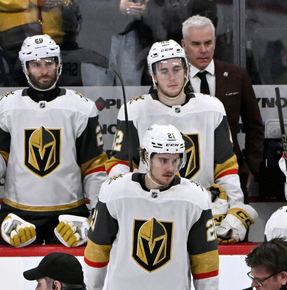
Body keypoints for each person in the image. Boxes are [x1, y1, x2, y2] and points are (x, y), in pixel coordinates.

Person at [84, 123, 220, 290]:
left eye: (176, 160)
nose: (170, 168)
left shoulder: (195, 198)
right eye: (163, 160)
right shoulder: (115, 191)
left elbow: (205, 259)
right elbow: (97, 250)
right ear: (146, 156)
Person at [106, 39, 256, 243]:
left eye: (177, 69)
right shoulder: (134, 110)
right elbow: (119, 167)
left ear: (186, 71)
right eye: (164, 70)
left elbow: (226, 167)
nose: (172, 77)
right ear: (153, 76)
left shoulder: (211, 108)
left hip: (201, 211)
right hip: (150, 210)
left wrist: (235, 209)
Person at [0, 34, 107, 247]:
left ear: (58, 64)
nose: (44, 71)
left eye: (49, 63)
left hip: (70, 213)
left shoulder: (82, 108)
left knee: (67, 278)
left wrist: (96, 216)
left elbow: (93, 169)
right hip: (17, 213)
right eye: (36, 64)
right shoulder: (4, 106)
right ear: (25, 67)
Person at [181, 15, 263, 195]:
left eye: (208, 43)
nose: (203, 50)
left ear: (215, 42)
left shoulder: (236, 75)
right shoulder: (171, 79)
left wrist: (250, 167)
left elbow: (254, 125)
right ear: (183, 45)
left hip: (231, 171)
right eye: (196, 44)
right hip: (185, 173)